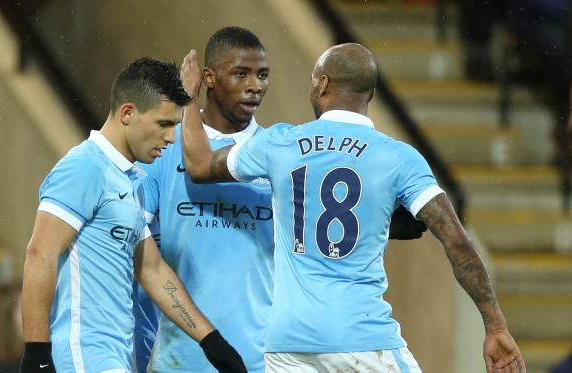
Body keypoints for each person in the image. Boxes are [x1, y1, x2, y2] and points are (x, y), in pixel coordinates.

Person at [179, 44, 526, 372]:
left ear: (323, 83)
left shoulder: (279, 143)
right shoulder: (398, 158)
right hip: (360, 337)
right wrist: (494, 325)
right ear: (370, 95)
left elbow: (199, 164)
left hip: (287, 342)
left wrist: (191, 95)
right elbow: (456, 241)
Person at [19, 57, 246, 373]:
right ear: (128, 113)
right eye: (164, 124)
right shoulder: (85, 167)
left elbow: (152, 270)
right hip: (83, 354)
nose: (170, 138)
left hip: (113, 356)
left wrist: (211, 341)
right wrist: (37, 355)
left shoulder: (129, 180)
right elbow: (39, 253)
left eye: (175, 127)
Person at [131, 26, 274, 373]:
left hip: (259, 361)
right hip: (179, 360)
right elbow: (129, 246)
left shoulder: (276, 155)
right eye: (241, 74)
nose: (254, 86)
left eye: (262, 75)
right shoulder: (164, 149)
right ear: (208, 77)